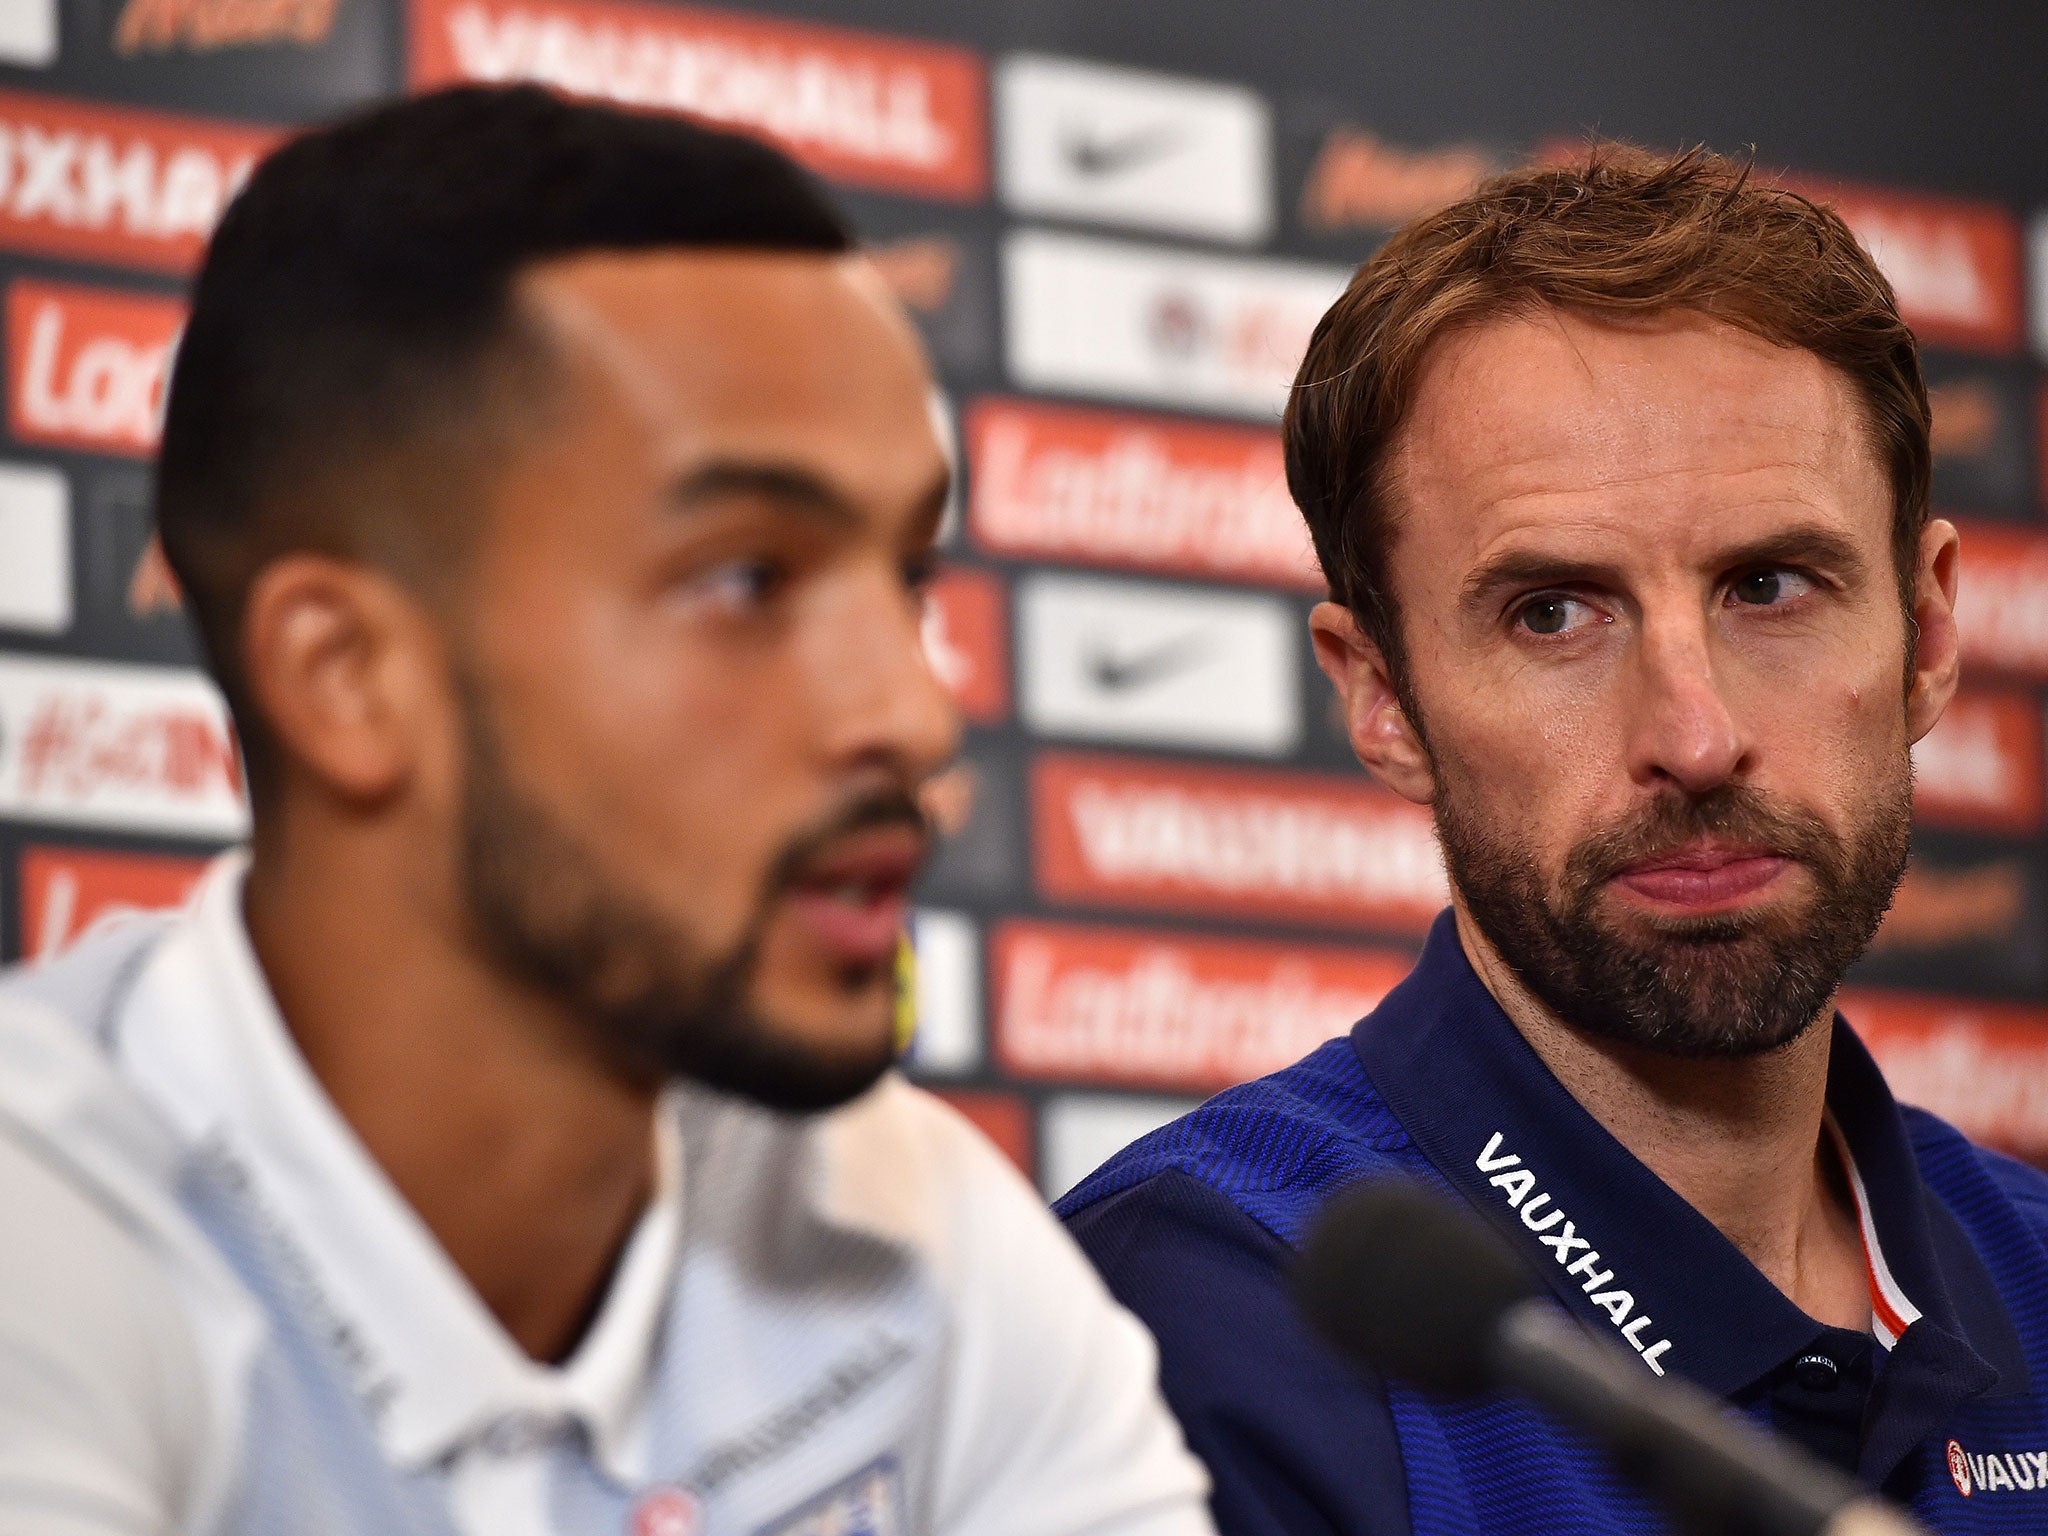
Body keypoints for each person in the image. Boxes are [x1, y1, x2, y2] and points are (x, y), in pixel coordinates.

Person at [0, 86, 1214, 1536]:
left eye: (904, 578)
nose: (912, 713)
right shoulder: (48, 1228)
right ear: (348, 678)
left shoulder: (915, 1225)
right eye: (745, 581)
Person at [1059, 145, 2048, 1535]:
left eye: (1770, 586)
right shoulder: (1201, 1315)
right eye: (1553, 614)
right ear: (1385, 699)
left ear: (1930, 634)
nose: (1696, 738)